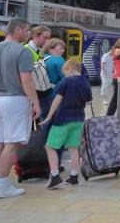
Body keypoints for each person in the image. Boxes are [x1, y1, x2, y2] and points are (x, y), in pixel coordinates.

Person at [0, 18, 40, 199]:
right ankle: (2, 184)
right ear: (18, 30)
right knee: (12, 143)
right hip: (15, 99)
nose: (28, 34)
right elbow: (26, 80)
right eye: (27, 30)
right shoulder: (23, 52)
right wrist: (35, 103)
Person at [40, 60, 92, 189]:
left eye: (65, 72)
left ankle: (55, 176)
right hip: (79, 118)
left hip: (63, 119)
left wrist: (49, 116)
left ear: (70, 68)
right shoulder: (85, 82)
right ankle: (74, 177)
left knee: (50, 147)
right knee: (74, 148)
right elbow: (89, 101)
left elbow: (57, 100)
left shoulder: (67, 81)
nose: (65, 75)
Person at [25, 26, 51, 118]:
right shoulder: (26, 50)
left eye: (48, 38)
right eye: (45, 37)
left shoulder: (39, 51)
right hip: (30, 94)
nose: (47, 41)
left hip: (39, 92)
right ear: (36, 35)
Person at [40, 38, 66, 119]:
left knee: (44, 117)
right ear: (50, 49)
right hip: (55, 95)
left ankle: (44, 131)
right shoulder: (58, 60)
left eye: (63, 48)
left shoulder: (42, 58)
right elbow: (67, 78)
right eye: (60, 48)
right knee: (57, 118)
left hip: (42, 93)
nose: (63, 51)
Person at [100, 45, 115, 110]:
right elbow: (102, 65)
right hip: (105, 74)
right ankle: (104, 100)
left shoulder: (113, 56)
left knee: (112, 87)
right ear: (112, 49)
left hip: (112, 74)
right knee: (105, 87)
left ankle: (111, 99)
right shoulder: (105, 56)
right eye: (114, 51)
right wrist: (105, 73)